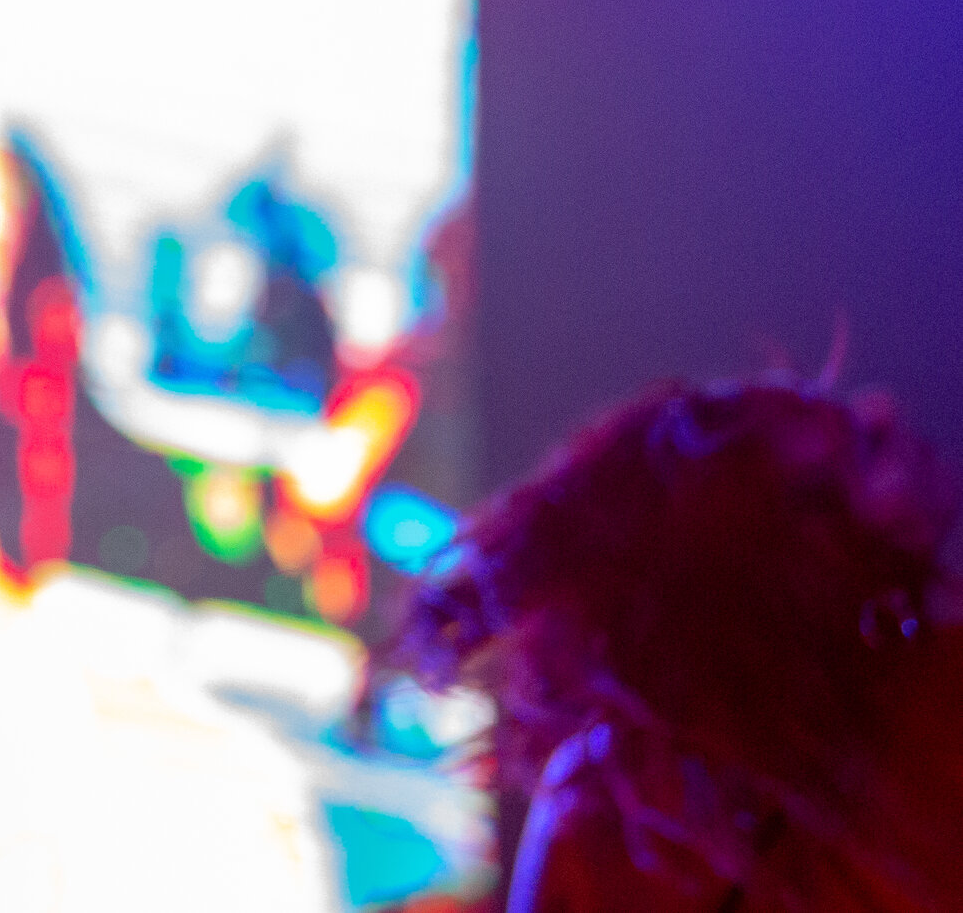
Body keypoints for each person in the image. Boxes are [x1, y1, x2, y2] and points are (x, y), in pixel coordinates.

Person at [395, 379, 963, 912]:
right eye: (861, 448)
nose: (883, 405)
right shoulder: (611, 812)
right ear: (793, 557)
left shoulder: (604, 801)